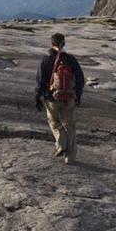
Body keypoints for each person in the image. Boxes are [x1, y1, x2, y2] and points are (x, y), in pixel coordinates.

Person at [35, 32, 84, 164]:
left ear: (52, 44)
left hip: (52, 98)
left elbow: (40, 80)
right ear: (64, 43)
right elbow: (80, 79)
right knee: (70, 126)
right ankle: (70, 158)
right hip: (69, 98)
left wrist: (38, 95)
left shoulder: (46, 59)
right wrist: (78, 95)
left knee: (53, 121)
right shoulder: (71, 60)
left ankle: (61, 140)